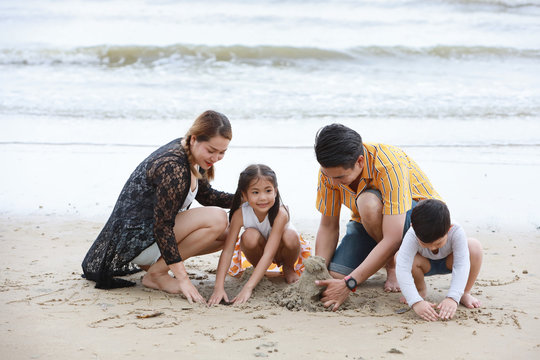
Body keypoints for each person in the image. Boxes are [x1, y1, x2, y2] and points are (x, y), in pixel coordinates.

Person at [82, 110, 233, 304]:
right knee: (218, 219)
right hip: (138, 241)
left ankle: (156, 267)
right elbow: (163, 225)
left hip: (152, 237)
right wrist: (183, 279)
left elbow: (207, 196)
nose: (215, 158)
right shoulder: (173, 166)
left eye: (222, 152)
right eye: (211, 150)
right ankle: (157, 275)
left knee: (226, 235)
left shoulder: (192, 153)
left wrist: (246, 198)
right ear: (194, 139)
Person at [313, 123, 441, 311]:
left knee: (368, 203)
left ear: (360, 162)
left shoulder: (389, 164)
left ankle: (393, 265)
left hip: (419, 222)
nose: (332, 182)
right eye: (327, 175)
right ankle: (382, 259)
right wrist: (317, 273)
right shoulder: (330, 171)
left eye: (340, 177)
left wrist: (350, 284)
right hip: (368, 224)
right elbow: (328, 226)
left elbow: (393, 237)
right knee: (335, 275)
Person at [208, 164, 311, 305]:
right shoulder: (240, 214)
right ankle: (259, 271)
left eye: (268, 191)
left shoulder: (281, 213)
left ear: (275, 191)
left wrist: (247, 288)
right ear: (244, 195)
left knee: (290, 236)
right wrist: (218, 288)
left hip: (282, 249)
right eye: (255, 192)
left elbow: (270, 253)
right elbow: (227, 251)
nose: (263, 198)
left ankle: (288, 267)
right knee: (248, 236)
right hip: (259, 251)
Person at [396, 199, 483, 321]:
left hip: (448, 262)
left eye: (438, 243)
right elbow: (402, 267)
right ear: (413, 228)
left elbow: (461, 265)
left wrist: (453, 297)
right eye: (425, 243)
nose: (432, 248)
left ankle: (464, 293)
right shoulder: (413, 233)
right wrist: (415, 301)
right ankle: (419, 291)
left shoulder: (456, 231)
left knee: (474, 247)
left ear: (449, 228)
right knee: (398, 256)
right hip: (423, 265)